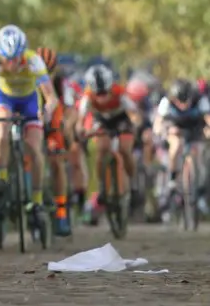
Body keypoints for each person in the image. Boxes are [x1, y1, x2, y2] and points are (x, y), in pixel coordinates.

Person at [0, 25, 59, 230]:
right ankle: (2, 178)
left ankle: (37, 199)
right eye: (8, 59)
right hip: (4, 99)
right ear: (0, 54)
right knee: (2, 129)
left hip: (29, 101)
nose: (12, 64)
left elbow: (51, 97)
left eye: (17, 58)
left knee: (34, 148)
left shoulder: (34, 61)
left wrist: (47, 111)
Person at [75, 65, 140, 211]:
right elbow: (81, 120)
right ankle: (103, 186)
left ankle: (133, 182)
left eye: (105, 93)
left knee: (124, 149)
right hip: (102, 120)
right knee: (102, 149)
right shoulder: (87, 97)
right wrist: (82, 131)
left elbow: (134, 114)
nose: (103, 98)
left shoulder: (120, 93)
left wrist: (134, 125)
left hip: (121, 119)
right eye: (99, 94)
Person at [152, 79, 210, 220]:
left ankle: (198, 186)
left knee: (200, 152)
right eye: (180, 101)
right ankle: (172, 179)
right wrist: (161, 130)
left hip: (194, 128)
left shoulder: (200, 99)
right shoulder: (166, 101)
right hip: (174, 127)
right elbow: (158, 123)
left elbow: (208, 118)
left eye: (186, 101)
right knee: (176, 145)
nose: (183, 105)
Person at [37, 47, 71, 236]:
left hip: (53, 122)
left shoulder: (59, 82)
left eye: (49, 71)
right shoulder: (28, 78)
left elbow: (67, 108)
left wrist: (66, 126)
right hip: (32, 119)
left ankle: (61, 211)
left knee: (57, 162)